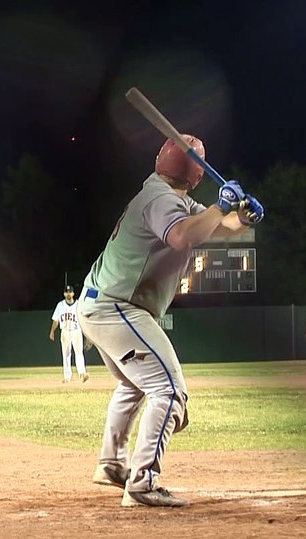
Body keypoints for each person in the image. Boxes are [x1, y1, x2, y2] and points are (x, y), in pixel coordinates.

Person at [78, 135, 263, 508]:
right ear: (196, 173)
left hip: (103, 305)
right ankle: (143, 482)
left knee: (134, 386)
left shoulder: (165, 194)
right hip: (117, 307)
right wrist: (218, 204)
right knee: (170, 390)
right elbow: (182, 237)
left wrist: (240, 216)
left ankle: (113, 464)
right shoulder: (162, 200)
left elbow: (218, 227)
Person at [49, 285, 88, 383]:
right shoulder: (60, 305)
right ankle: (67, 377)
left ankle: (82, 374)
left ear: (73, 293)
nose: (68, 294)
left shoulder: (79, 304)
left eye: (70, 292)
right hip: (65, 331)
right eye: (66, 292)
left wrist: (86, 333)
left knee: (79, 353)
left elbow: (83, 319)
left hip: (76, 331)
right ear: (64, 294)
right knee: (66, 354)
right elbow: (56, 320)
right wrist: (52, 331)